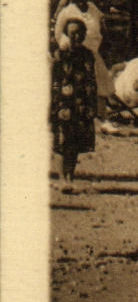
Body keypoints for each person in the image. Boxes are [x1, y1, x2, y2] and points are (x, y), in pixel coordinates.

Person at [51, 17, 99, 189]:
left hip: (81, 104)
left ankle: (70, 176)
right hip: (64, 104)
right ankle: (62, 178)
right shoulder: (60, 55)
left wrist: (92, 106)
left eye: (80, 33)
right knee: (62, 142)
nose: (77, 36)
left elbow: (92, 81)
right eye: (73, 33)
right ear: (66, 34)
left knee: (76, 143)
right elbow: (54, 81)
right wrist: (55, 107)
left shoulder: (87, 55)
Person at [54, 0, 113, 103]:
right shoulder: (68, 11)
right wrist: (66, 44)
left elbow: (101, 25)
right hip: (74, 52)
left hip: (93, 51)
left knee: (98, 85)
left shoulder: (93, 9)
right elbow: (58, 32)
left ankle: (98, 114)